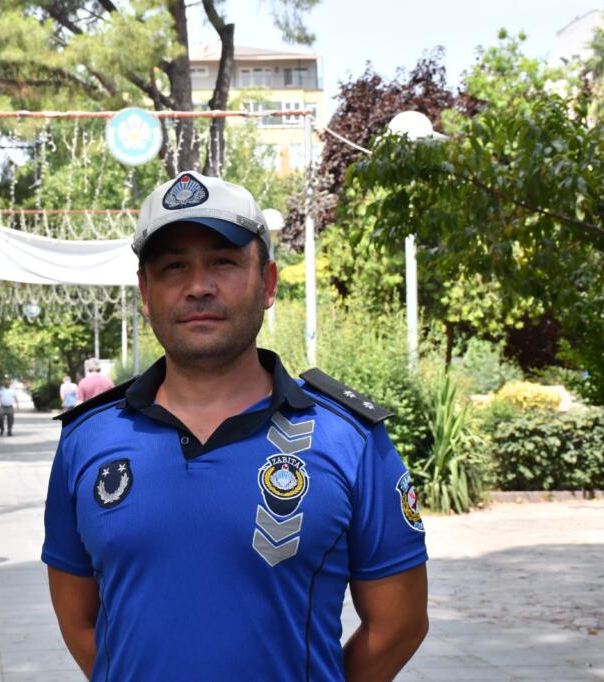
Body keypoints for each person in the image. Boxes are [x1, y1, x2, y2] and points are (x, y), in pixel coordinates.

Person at [42, 170, 429, 682]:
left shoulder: (349, 438)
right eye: (173, 267)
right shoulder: (88, 438)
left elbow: (399, 625)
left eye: (223, 262)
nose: (198, 287)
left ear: (267, 283)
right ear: (145, 293)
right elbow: (79, 623)